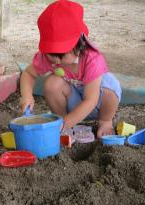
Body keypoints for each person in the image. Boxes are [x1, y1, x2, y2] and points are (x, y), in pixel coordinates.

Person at [20, 0, 121, 138]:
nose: (56, 60)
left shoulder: (92, 59)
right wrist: (27, 95)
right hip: (74, 100)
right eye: (51, 54)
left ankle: (105, 121)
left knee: (110, 89)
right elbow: (28, 73)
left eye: (61, 54)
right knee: (52, 83)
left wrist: (66, 124)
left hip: (98, 103)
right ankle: (61, 120)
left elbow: (90, 100)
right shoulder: (48, 57)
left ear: (79, 45)